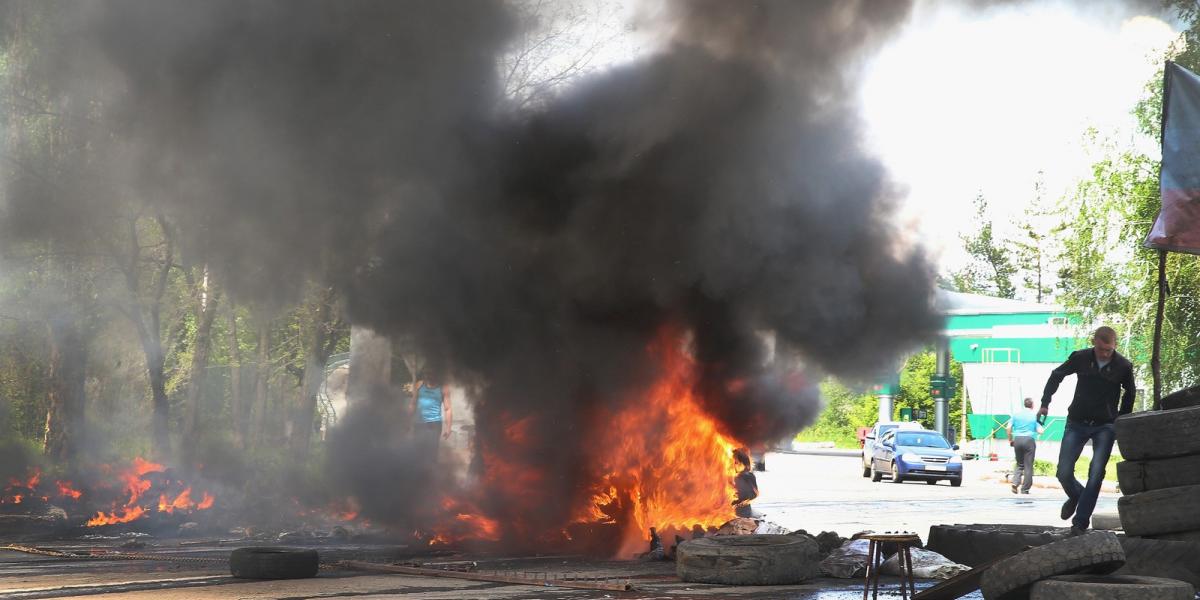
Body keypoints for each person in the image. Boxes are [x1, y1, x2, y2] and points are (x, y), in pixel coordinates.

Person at [1040, 326, 1135, 535]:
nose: (1104, 354)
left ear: (1114, 346)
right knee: (1063, 471)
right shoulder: (1081, 358)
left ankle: (1080, 522)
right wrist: (1045, 403)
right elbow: (1056, 375)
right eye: (1101, 349)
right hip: (1077, 421)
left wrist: (1122, 418)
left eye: (1108, 350)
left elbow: (1130, 391)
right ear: (1094, 343)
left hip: (1105, 425)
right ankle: (1076, 495)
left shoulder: (1123, 366)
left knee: (1096, 473)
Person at [1006, 397, 1043, 495]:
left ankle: (1015, 483)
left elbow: (1008, 428)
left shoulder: (1016, 415)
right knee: (1028, 465)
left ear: (1024, 404)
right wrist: (1036, 430)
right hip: (1029, 440)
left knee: (1019, 463)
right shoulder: (1034, 416)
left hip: (1017, 439)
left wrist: (1010, 439)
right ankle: (1025, 488)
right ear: (1032, 405)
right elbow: (1041, 431)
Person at [410, 370, 452, 452]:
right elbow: (412, 404)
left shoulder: (443, 387)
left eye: (432, 373)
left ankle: (432, 463)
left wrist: (448, 428)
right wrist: (407, 422)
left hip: (434, 424)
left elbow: (448, 409)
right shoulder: (419, 385)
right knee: (417, 451)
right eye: (428, 373)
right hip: (419, 423)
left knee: (431, 452)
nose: (430, 375)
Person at [731, 447, 759, 518]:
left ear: (744, 464)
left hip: (743, 512)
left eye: (737, 463)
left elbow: (755, 494)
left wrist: (743, 501)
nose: (734, 465)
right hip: (731, 511)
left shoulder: (748, 476)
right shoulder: (732, 476)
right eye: (733, 463)